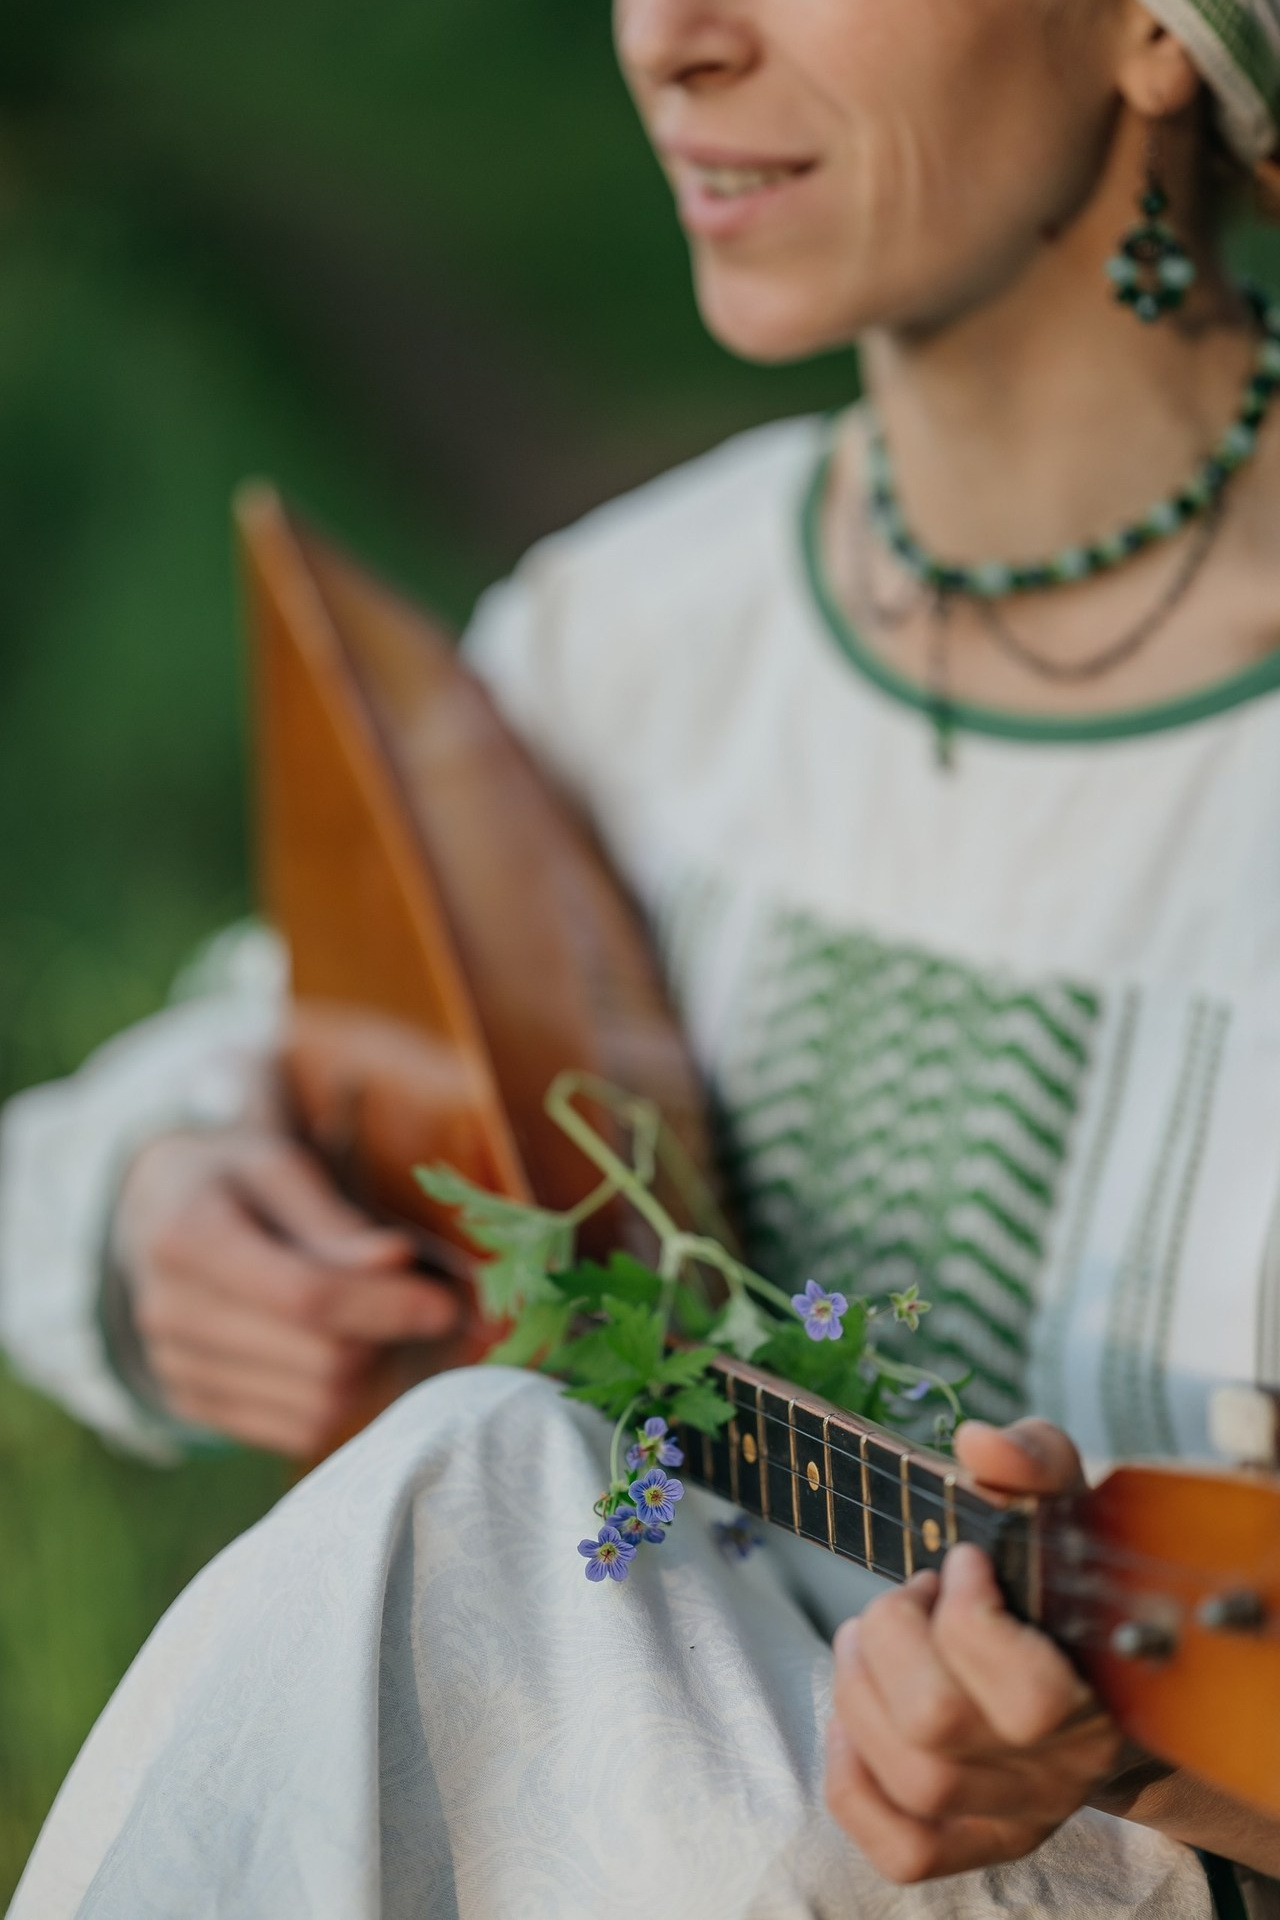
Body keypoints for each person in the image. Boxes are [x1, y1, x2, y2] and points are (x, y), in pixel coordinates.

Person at [7, 0, 1280, 1911]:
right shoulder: (635, 634)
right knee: (480, 1469)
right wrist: (171, 1197)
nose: (673, 40)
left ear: (1159, 36)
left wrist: (1148, 1748)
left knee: (475, 1498)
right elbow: (244, 1043)